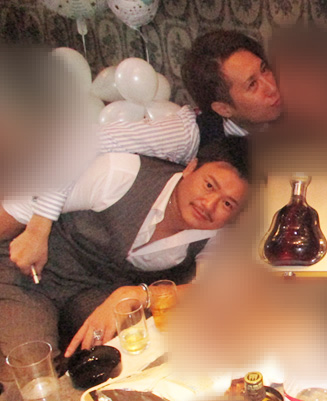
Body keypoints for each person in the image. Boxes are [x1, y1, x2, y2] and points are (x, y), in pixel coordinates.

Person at [5, 30, 280, 282]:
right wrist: (39, 226)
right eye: (252, 85)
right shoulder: (186, 133)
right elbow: (84, 143)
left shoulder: (293, 109)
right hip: (93, 238)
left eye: (265, 69)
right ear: (223, 108)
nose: (272, 86)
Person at [0, 137, 250, 362]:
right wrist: (33, 235)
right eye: (209, 186)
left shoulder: (217, 233)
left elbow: (213, 289)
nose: (209, 205)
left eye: (228, 204)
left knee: (145, 352)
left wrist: (138, 294)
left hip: (92, 295)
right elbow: (16, 210)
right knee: (32, 370)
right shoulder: (120, 174)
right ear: (190, 168)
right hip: (25, 275)